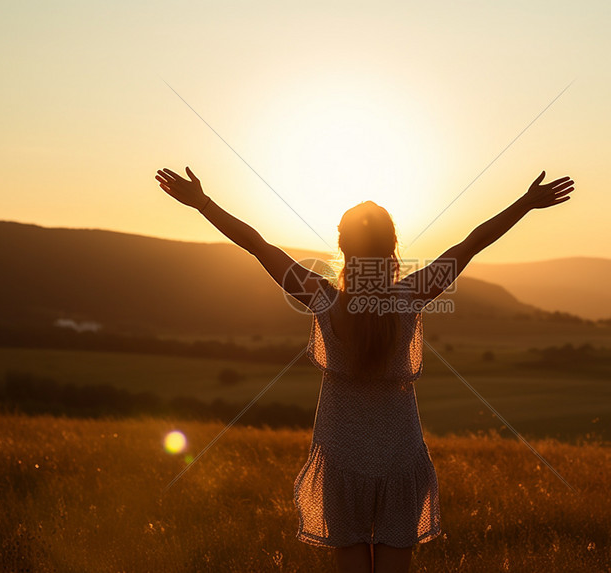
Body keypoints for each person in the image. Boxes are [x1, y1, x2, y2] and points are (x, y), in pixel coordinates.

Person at [155, 166, 574, 573]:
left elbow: (258, 245)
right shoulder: (412, 294)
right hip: (400, 453)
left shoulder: (322, 298)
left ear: (341, 246)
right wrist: (524, 204)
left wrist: (203, 204)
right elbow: (470, 244)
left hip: (340, 453)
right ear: (393, 245)